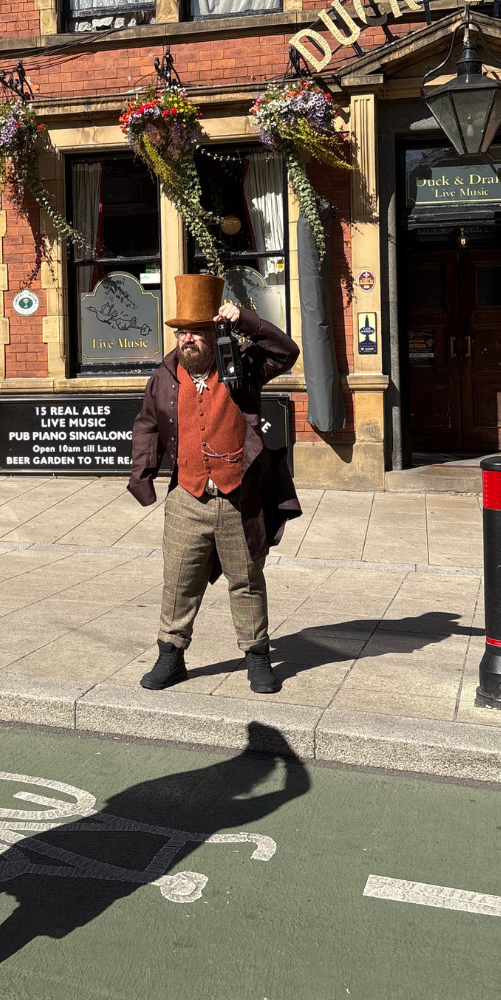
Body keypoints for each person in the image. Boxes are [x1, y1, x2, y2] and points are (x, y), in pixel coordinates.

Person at [128, 273, 302, 694]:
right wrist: (142, 475)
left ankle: (257, 657)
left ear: (214, 334)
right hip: (187, 496)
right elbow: (147, 424)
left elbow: (287, 350)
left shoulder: (242, 367)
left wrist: (244, 318)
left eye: (198, 332)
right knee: (179, 580)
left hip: (239, 496)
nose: (188, 340)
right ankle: (171, 657)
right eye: (182, 332)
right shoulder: (165, 377)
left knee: (246, 580)